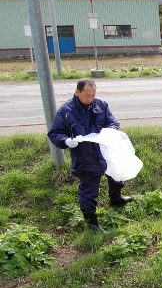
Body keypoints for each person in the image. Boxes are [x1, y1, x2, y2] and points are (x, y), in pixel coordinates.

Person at [48, 79, 131, 233]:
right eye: (87, 95)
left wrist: (110, 131)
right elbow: (55, 133)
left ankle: (116, 198)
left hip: (105, 150)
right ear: (77, 92)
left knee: (116, 175)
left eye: (93, 95)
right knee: (89, 189)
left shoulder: (101, 105)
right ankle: (92, 223)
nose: (90, 99)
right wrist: (66, 141)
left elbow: (113, 122)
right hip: (85, 156)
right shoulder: (66, 111)